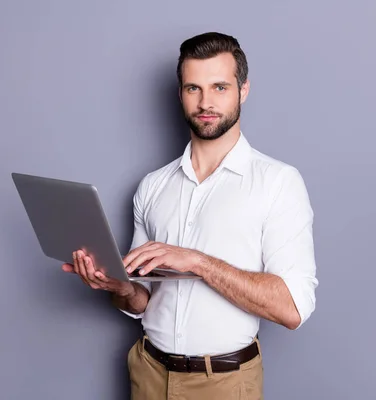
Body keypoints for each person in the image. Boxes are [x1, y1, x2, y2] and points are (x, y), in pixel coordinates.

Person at [62, 31, 318, 400]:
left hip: (225, 383)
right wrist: (120, 288)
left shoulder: (278, 182)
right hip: (148, 373)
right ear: (180, 93)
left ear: (243, 90)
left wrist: (197, 261)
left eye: (219, 87)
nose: (205, 102)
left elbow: (292, 308)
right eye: (193, 88)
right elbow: (143, 299)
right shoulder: (152, 186)